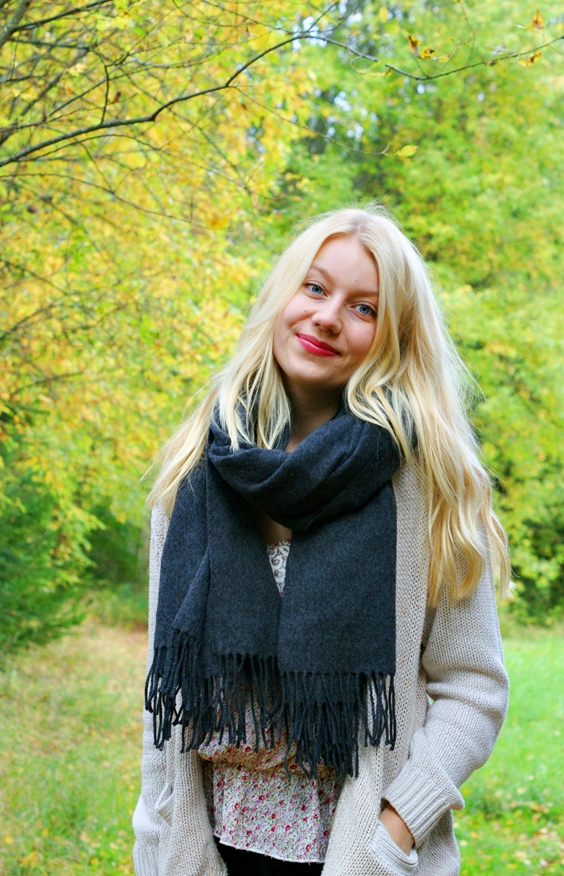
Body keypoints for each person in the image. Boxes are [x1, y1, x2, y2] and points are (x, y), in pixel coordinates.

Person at [132, 206, 511, 876]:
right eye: (314, 287)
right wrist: (159, 842)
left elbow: (473, 688)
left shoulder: (428, 486)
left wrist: (393, 832)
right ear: (282, 294)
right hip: (208, 847)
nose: (328, 317)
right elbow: (165, 690)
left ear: (394, 338)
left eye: (364, 308)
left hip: (356, 852)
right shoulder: (198, 471)